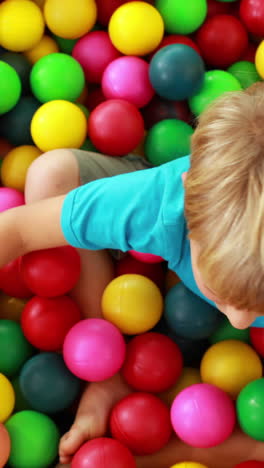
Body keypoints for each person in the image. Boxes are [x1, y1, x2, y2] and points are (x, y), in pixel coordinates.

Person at [2, 83, 264, 467]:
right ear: (187, 197)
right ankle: (104, 365)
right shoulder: (158, 204)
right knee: (50, 174)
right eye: (220, 291)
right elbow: (17, 230)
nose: (239, 320)